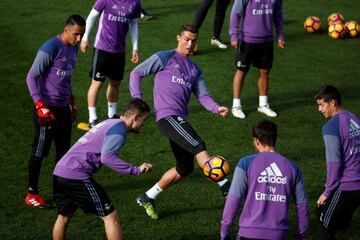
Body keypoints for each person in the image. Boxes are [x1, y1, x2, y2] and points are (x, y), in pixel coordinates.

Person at [129, 24, 230, 220]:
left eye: (193, 40)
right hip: (167, 117)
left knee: (185, 167)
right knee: (198, 146)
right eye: (186, 39)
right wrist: (137, 99)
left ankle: (147, 197)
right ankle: (225, 186)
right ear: (178, 38)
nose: (190, 43)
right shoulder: (164, 57)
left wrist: (216, 108)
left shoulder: (195, 69)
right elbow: (136, 73)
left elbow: (204, 96)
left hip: (180, 120)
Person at [52, 98, 152, 240]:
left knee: (63, 217)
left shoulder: (109, 122)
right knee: (111, 216)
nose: (144, 123)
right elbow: (107, 158)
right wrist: (135, 170)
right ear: (135, 118)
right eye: (144, 119)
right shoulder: (119, 131)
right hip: (76, 175)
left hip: (60, 171)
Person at [25, 14, 86, 207]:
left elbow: (65, 78)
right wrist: (40, 106)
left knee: (63, 153)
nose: (79, 39)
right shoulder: (50, 47)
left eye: (81, 36)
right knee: (40, 151)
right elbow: (31, 77)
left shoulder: (73, 48)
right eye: (76, 34)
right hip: (47, 110)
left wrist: (71, 101)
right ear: (66, 29)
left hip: (63, 109)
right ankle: (31, 193)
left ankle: (59, 191)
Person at [220, 119, 309, 240]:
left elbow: (234, 199)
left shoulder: (245, 163)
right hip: (279, 236)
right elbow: (302, 204)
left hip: (248, 234)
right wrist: (302, 235)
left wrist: (224, 230)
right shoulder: (293, 168)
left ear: (256, 141)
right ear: (275, 140)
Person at [80, 0, 141, 128]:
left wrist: (135, 48)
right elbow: (92, 16)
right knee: (97, 82)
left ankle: (112, 115)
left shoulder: (135, 2)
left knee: (115, 83)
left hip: (119, 51)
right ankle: (93, 118)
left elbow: (134, 24)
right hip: (102, 48)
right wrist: (85, 38)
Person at [314, 85, 360, 240]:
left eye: (322, 105)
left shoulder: (331, 127)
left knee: (324, 224)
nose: (319, 109)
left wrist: (327, 192)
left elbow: (334, 164)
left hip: (347, 185)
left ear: (332, 103)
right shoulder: (354, 118)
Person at [229, 0, 285, 119]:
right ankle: (236, 106)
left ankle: (263, 104)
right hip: (247, 41)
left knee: (264, 71)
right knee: (241, 71)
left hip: (267, 41)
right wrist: (233, 35)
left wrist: (280, 34)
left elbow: (278, 14)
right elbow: (235, 13)